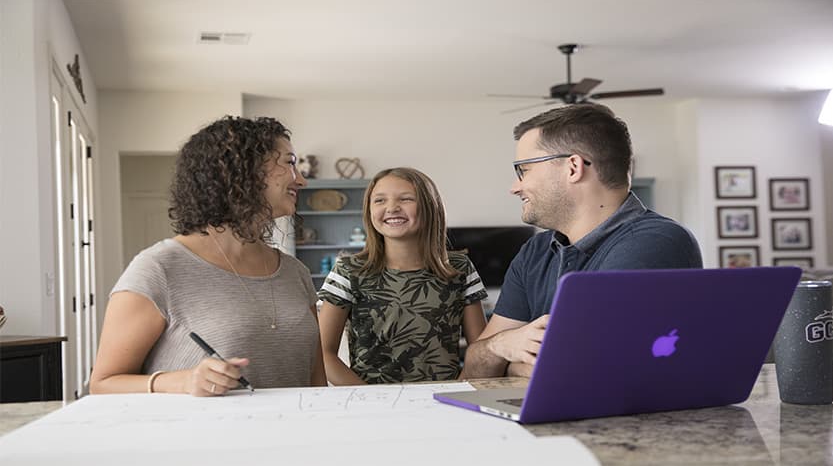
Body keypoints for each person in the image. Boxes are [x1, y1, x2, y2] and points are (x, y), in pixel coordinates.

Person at [90, 116, 326, 396]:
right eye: (289, 162)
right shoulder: (158, 269)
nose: (301, 180)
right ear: (243, 170)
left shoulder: (294, 272)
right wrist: (182, 381)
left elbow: (316, 385)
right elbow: (102, 384)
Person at [462, 104, 703, 379]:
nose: (515, 187)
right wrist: (501, 345)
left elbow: (582, 372)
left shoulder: (655, 242)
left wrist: (508, 361)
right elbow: (475, 367)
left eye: (524, 170)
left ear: (573, 167)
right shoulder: (535, 252)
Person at [317, 167, 488, 384]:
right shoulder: (348, 270)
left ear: (429, 207)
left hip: (444, 403)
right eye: (379, 200)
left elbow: (481, 350)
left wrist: (458, 390)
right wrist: (370, 399)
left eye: (406, 199)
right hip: (372, 407)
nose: (392, 208)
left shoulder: (459, 268)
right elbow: (323, 353)